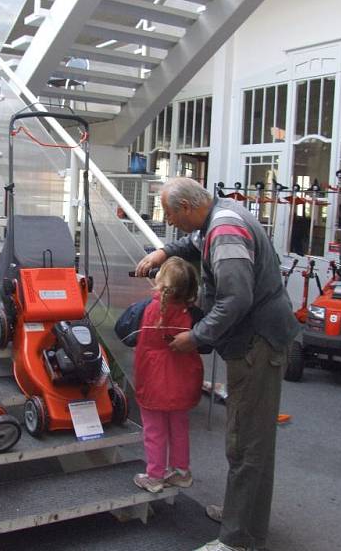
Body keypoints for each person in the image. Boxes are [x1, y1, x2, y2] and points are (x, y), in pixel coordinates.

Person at [135, 177, 299, 551]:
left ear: (190, 208)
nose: (170, 220)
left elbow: (235, 299)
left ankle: (238, 539)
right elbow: (190, 243)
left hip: (257, 344)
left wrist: (197, 336)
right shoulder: (217, 218)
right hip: (254, 341)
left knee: (246, 442)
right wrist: (163, 253)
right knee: (249, 438)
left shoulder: (224, 231)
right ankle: (243, 519)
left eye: (171, 213)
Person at [126, 256, 204, 493]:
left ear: (160, 283)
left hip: (153, 382)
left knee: (154, 430)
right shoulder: (193, 315)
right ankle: (181, 472)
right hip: (183, 380)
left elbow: (122, 330)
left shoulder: (144, 310)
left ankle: (155, 476)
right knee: (179, 427)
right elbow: (206, 344)